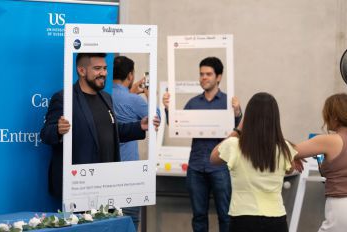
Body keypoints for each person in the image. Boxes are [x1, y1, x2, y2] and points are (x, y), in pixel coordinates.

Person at [41, 53, 159, 199]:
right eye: (97, 68)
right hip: (78, 188)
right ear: (81, 71)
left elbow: (112, 131)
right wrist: (58, 130)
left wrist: (139, 126)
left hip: (106, 185)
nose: (103, 73)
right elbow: (45, 134)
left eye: (105, 68)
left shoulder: (106, 98)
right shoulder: (64, 98)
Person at [163, 57, 242, 232]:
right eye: (201, 74)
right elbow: (176, 127)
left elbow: (238, 131)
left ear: (219, 77)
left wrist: (237, 112)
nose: (204, 78)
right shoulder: (193, 103)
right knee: (198, 217)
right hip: (196, 167)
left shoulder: (229, 103)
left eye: (208, 74)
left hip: (221, 167)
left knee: (225, 215)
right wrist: (168, 109)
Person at [210, 92, 298, 232]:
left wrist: (238, 129)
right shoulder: (284, 147)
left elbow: (213, 157)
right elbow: (290, 169)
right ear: (275, 119)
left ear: (248, 118)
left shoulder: (233, 145)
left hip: (242, 219)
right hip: (276, 219)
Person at [112, 55, 157, 230]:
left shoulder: (104, 96)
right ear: (130, 76)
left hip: (105, 170)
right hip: (129, 173)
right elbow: (156, 118)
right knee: (129, 222)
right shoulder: (135, 100)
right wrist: (148, 94)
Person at [294, 93, 347, 232]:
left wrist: (294, 156)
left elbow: (286, 150)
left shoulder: (329, 140)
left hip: (341, 205)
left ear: (335, 115)